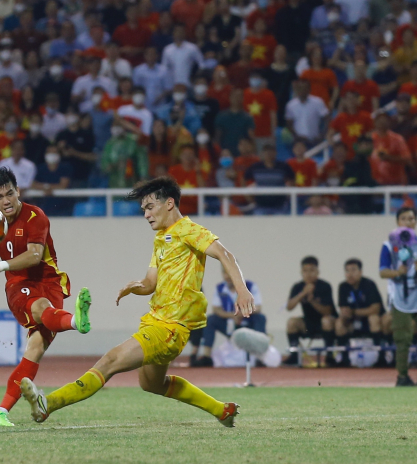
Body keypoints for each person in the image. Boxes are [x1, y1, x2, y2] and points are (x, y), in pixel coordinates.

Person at [19, 177, 249, 427]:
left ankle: (47, 404)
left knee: (110, 361)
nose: (146, 214)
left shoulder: (189, 230)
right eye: (143, 210)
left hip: (171, 327)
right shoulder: (161, 238)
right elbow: (151, 282)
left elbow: (225, 254)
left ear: (169, 203)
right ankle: (221, 410)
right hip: (156, 321)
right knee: (152, 384)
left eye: (150, 207)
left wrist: (242, 291)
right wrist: (136, 286)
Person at [0, 167, 92, 427]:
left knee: (35, 348)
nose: (6, 201)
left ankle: (0, 412)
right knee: (41, 307)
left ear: (18, 191)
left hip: (50, 281)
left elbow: (35, 255)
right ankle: (75, 321)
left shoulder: (36, 216)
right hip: (18, 285)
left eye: (10, 194)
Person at [379, 208, 417, 386]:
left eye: (411, 218)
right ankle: (402, 376)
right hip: (400, 296)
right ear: (398, 222)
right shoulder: (389, 245)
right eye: (404, 218)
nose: (408, 222)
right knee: (403, 338)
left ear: (415, 222)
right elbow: (382, 272)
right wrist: (397, 272)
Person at [197, 268, 266, 366]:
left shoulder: (250, 286)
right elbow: (216, 309)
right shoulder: (220, 288)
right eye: (225, 273)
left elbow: (258, 307)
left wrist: (242, 313)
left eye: (230, 272)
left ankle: (260, 357)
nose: (227, 276)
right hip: (229, 324)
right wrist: (233, 316)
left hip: (248, 322)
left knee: (260, 318)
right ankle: (206, 356)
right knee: (211, 319)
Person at [285, 256, 337, 364]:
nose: (308, 274)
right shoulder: (298, 287)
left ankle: (329, 355)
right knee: (291, 322)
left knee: (326, 320)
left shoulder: (324, 286)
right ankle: (294, 355)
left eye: (312, 270)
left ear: (317, 272)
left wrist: (312, 301)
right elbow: (289, 307)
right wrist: (303, 293)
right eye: (305, 271)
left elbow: (328, 311)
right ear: (301, 272)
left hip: (326, 324)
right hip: (308, 323)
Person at [336, 258, 385, 355]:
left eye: (353, 270)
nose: (350, 274)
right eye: (347, 271)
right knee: (339, 322)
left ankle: (380, 356)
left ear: (360, 272)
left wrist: (354, 312)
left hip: (369, 321)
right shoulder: (343, 287)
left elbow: (375, 309)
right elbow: (344, 310)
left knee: (373, 319)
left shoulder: (369, 284)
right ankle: (342, 357)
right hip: (353, 321)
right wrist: (347, 313)